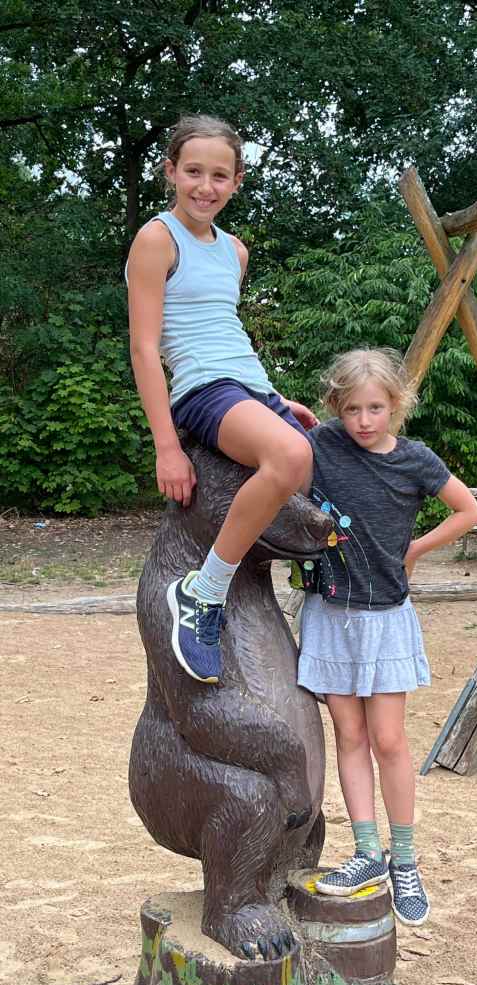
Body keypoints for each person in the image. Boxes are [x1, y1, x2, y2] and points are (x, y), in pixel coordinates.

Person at [127, 114, 316, 685]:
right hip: (201, 390)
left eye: (219, 175)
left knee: (334, 459)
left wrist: (275, 399)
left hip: (247, 384)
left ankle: (316, 611)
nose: (205, 186)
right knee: (290, 457)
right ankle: (202, 594)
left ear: (236, 181)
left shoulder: (235, 250)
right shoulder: (158, 238)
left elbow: (224, 329)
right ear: (170, 172)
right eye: (193, 172)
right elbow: (143, 347)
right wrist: (167, 446)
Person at [297, 348, 477, 926]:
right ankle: (366, 854)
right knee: (348, 736)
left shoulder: (415, 461)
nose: (364, 420)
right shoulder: (322, 445)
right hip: (328, 614)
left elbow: (467, 510)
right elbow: (278, 434)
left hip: (385, 617)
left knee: (389, 740)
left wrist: (415, 550)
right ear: (336, 407)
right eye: (351, 408)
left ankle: (404, 859)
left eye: (376, 407)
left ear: (397, 405)